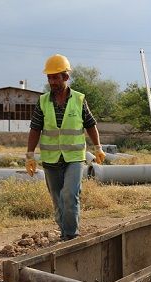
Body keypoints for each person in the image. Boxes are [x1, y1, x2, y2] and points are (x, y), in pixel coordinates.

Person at [25, 54, 106, 241]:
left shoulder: (79, 99)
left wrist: (98, 147)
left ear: (65, 77)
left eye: (55, 77)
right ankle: (64, 232)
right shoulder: (43, 101)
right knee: (57, 200)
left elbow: (90, 124)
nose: (52, 81)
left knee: (70, 195)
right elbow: (35, 128)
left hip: (74, 157)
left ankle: (71, 236)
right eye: (49, 77)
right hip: (51, 158)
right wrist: (30, 155)